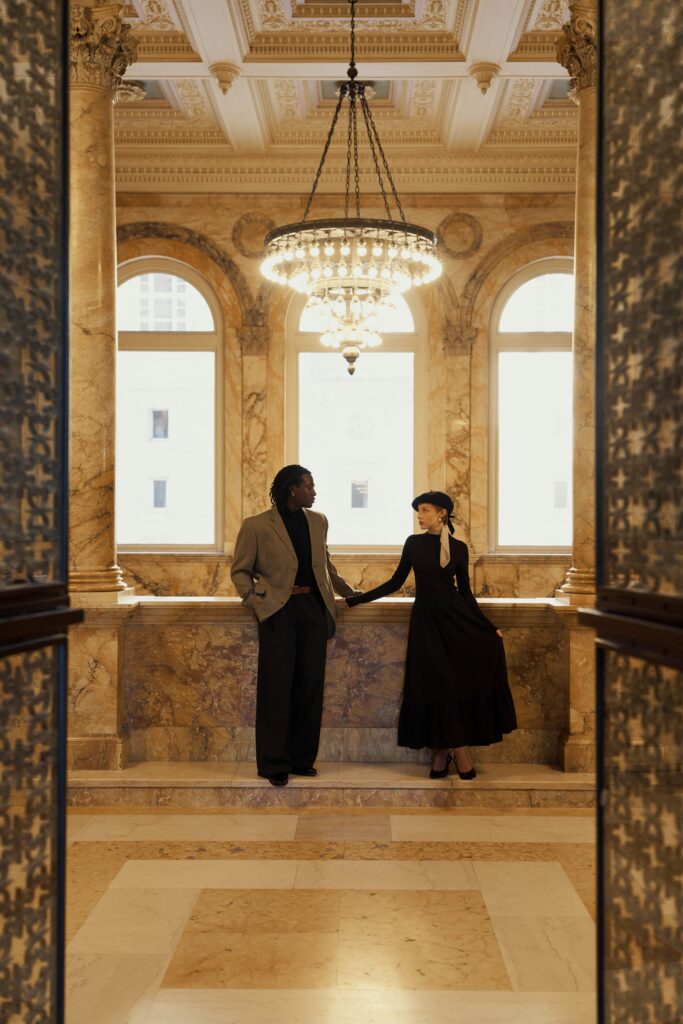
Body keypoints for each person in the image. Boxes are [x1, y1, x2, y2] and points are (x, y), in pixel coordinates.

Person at [345, 490, 517, 779]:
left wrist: (488, 627)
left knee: (455, 683)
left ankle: (444, 753)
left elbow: (466, 594)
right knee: (437, 685)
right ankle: (456, 751)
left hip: (455, 620)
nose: (419, 516)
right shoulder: (413, 544)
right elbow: (395, 582)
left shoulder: (459, 549)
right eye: (418, 511)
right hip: (425, 622)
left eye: (425, 510)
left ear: (441, 513)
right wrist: (356, 599)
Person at [231, 465, 357, 786]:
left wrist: (351, 593)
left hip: (313, 610)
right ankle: (274, 764)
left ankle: (302, 759)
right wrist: (256, 599)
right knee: (276, 687)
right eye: (309, 487)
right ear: (292, 489)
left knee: (310, 686)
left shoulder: (318, 522)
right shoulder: (257, 526)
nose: (314, 492)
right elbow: (240, 571)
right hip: (278, 611)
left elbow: (324, 564)